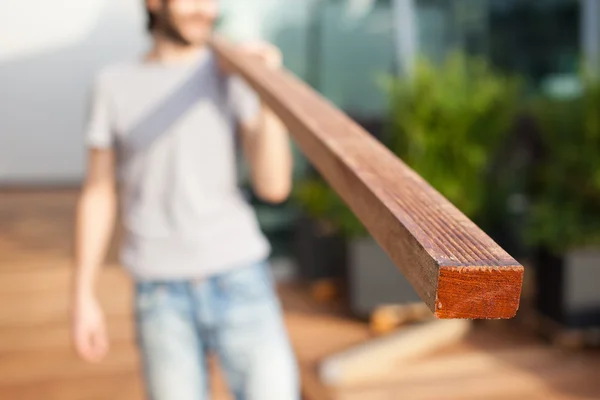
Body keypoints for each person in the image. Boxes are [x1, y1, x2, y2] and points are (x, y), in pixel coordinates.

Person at [70, 0, 299, 399]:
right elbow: (98, 191)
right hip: (159, 294)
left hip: (241, 277)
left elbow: (274, 186)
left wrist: (268, 88)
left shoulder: (230, 73)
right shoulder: (112, 83)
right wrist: (83, 296)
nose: (205, 10)